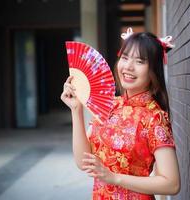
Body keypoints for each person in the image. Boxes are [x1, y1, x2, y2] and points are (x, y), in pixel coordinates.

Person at [61, 28, 180, 199]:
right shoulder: (110, 105)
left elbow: (172, 183)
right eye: (125, 58)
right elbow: (83, 162)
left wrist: (114, 178)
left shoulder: (154, 117)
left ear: (153, 70)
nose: (128, 67)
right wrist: (76, 110)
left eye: (140, 61)